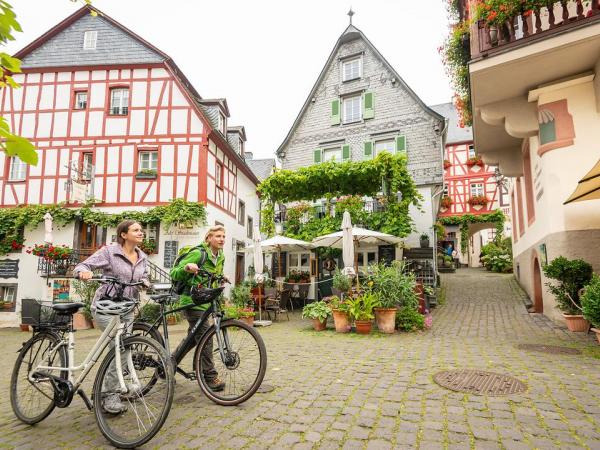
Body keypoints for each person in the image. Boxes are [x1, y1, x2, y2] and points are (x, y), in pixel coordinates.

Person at [73, 220, 150, 414]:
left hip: (127, 309)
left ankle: (106, 386)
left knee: (123, 348)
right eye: (136, 230)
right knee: (120, 349)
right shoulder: (110, 252)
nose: (141, 233)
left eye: (141, 230)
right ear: (124, 234)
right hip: (106, 308)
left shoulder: (142, 257)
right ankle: (109, 394)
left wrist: (145, 283)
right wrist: (83, 272)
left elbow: (145, 276)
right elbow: (83, 265)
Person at [170, 225, 227, 391]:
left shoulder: (220, 256)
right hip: (191, 301)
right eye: (217, 236)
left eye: (223, 236)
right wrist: (187, 268)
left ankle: (167, 365)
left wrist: (222, 277)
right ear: (209, 238)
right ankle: (209, 376)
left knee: (192, 339)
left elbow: (212, 276)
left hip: (206, 300)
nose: (221, 239)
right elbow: (174, 272)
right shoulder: (198, 253)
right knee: (206, 337)